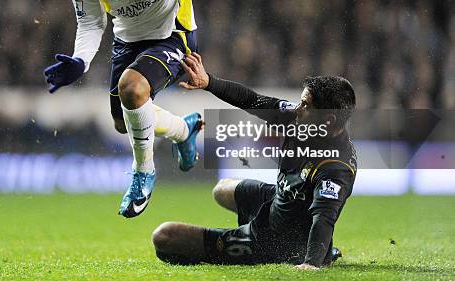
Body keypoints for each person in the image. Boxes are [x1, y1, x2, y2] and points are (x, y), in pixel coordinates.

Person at [43, 0, 248, 218]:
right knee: (124, 122)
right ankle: (184, 129)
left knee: (131, 89)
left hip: (173, 31)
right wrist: (80, 60)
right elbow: (92, 23)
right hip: (127, 40)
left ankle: (144, 172)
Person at [151, 52, 357, 269]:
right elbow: (252, 100)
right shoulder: (301, 119)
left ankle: (296, 250)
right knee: (222, 189)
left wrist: (311, 264)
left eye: (305, 104)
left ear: (328, 119)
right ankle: (302, 242)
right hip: (281, 203)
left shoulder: (335, 167)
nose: (297, 108)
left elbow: (324, 218)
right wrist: (208, 82)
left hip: (277, 242)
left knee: (164, 237)